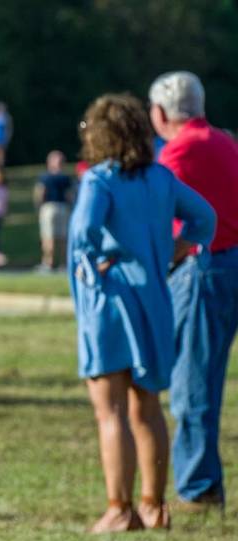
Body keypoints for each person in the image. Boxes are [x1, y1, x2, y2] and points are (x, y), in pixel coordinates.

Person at [69, 93, 215, 533]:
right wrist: (176, 248)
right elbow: (205, 217)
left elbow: (83, 237)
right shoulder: (161, 178)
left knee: (109, 410)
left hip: (109, 304)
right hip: (154, 302)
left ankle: (119, 508)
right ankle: (154, 506)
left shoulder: (99, 181)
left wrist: (104, 261)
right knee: (147, 406)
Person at [150, 71, 238, 510]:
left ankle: (199, 486)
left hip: (204, 268)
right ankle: (201, 480)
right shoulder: (223, 140)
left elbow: (161, 210)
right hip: (230, 259)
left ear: (160, 112)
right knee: (204, 377)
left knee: (193, 383)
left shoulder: (179, 150)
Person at [33, 150, 74, 271]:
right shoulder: (66, 178)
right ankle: (64, 264)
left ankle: (48, 263)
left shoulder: (44, 177)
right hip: (63, 207)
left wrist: (38, 207)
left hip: (48, 208)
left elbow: (40, 193)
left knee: (48, 237)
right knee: (63, 238)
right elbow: (70, 195)